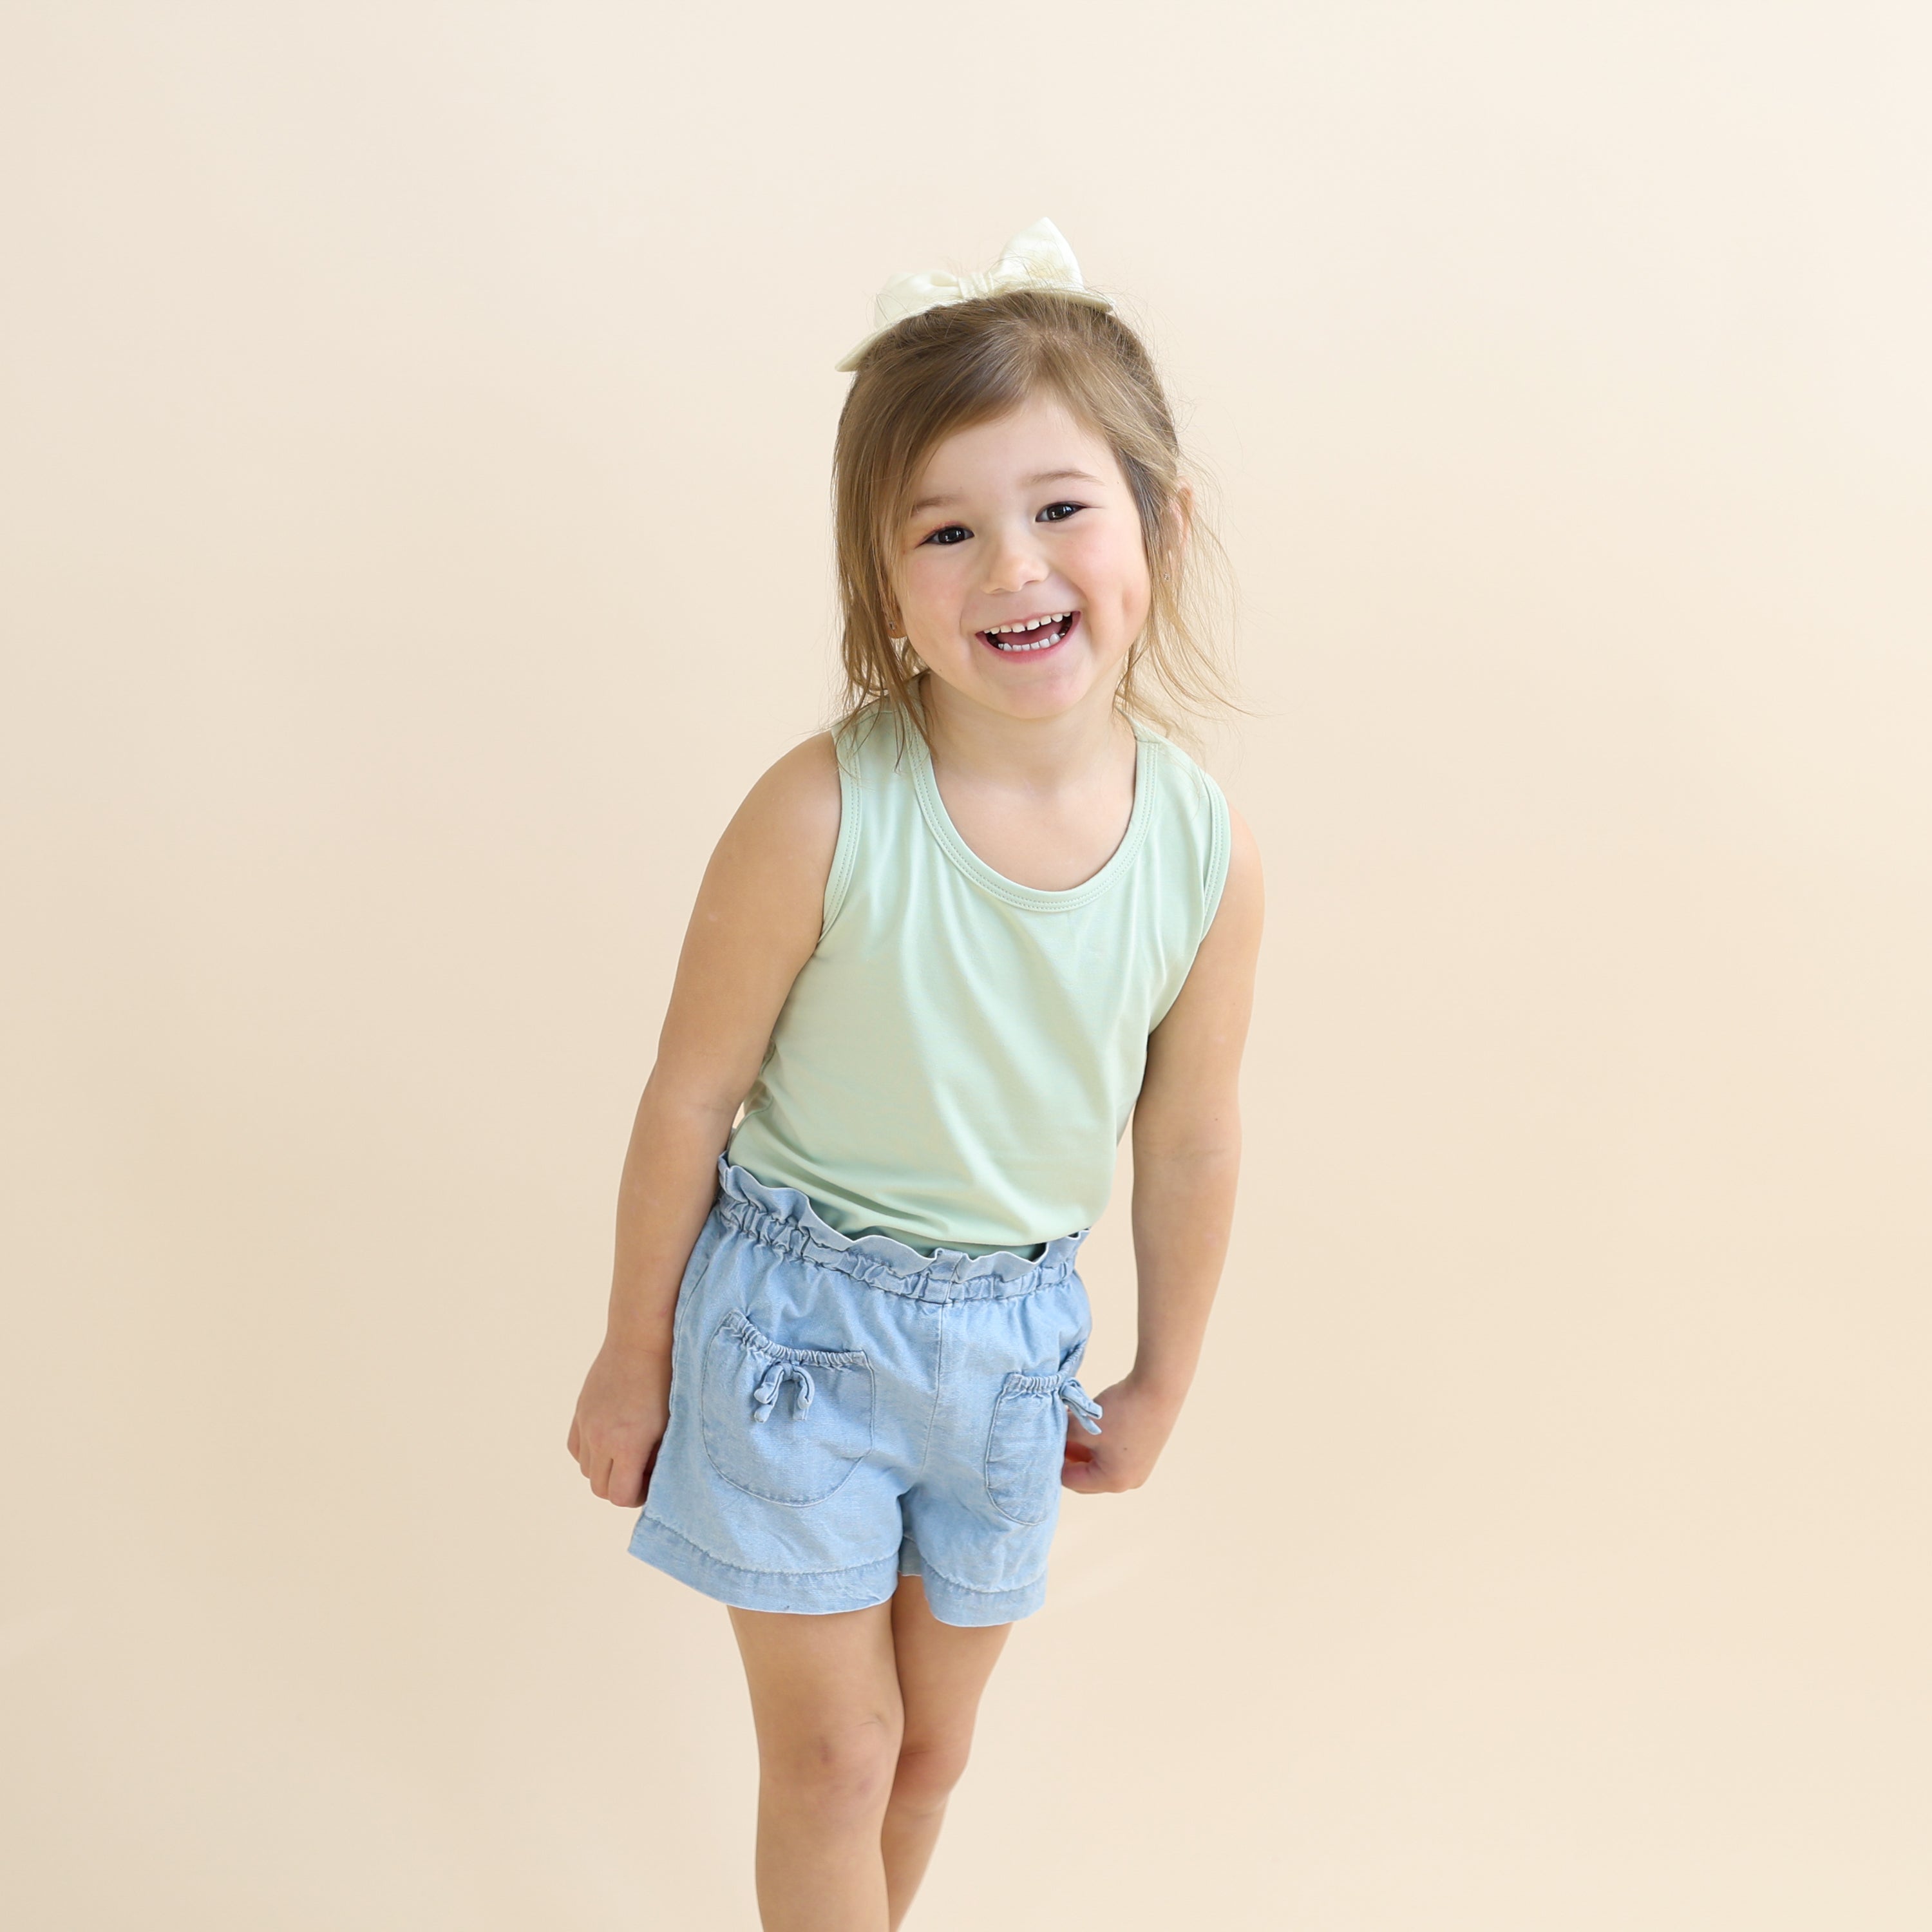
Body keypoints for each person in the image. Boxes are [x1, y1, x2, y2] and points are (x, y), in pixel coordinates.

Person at [567, 218, 1264, 1931]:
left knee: (928, 1760)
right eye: (947, 531)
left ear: (1159, 524)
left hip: (1015, 1353)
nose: (1012, 568)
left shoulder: (1200, 847)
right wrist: (632, 1351)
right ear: (886, 585)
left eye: (1060, 509)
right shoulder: (821, 813)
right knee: (832, 1758)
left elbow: (1187, 1136)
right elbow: (686, 1099)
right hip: (796, 1333)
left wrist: (1164, 1372)